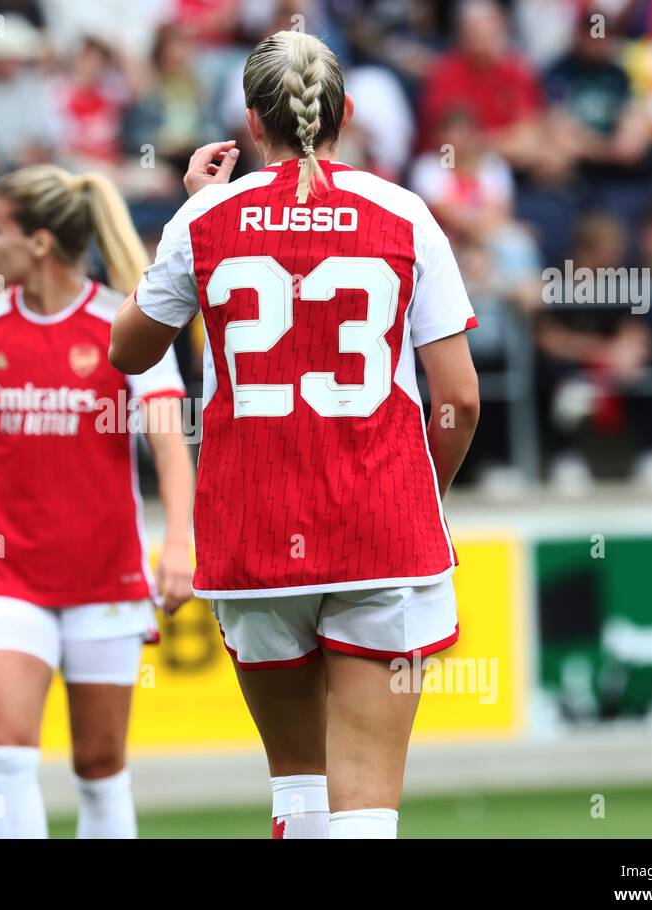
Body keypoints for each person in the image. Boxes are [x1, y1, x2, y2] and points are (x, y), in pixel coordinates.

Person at [110, 31, 481, 839]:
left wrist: (189, 212)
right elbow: (458, 399)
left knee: (300, 794)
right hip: (382, 524)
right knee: (366, 804)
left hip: (255, 530)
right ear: (347, 112)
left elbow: (126, 349)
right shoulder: (405, 215)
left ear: (251, 122)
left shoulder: (205, 221)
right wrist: (427, 498)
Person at [0, 164, 195, 839]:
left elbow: (172, 447)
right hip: (8, 578)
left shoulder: (126, 329)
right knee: (7, 749)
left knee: (99, 762)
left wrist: (178, 542)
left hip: (106, 575)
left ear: (38, 244)